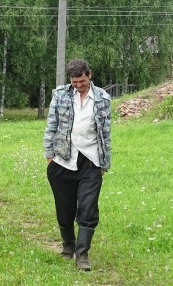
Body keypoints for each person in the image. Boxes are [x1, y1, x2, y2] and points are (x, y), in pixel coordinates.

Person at [43, 59, 111, 271]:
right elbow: (51, 124)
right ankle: (67, 246)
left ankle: (82, 254)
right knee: (65, 208)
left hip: (90, 161)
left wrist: (104, 162)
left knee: (89, 208)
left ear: (89, 75)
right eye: (74, 82)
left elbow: (105, 132)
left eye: (81, 80)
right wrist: (49, 154)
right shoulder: (60, 94)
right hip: (63, 160)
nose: (78, 85)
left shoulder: (102, 98)